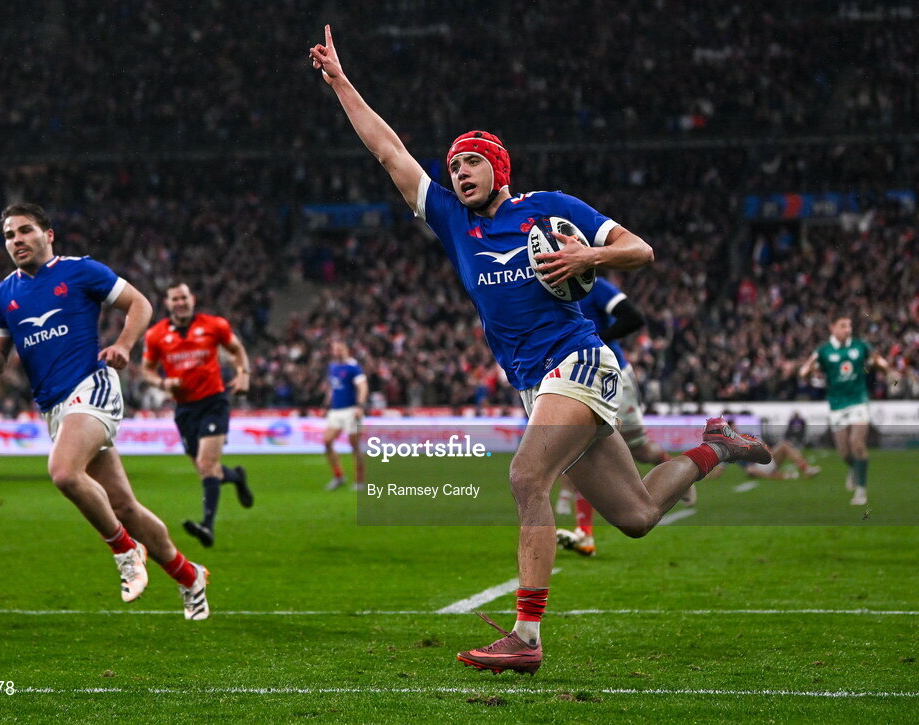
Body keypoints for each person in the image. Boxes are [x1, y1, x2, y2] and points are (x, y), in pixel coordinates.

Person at [309, 26, 770, 675]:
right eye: (453, 166)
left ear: (498, 167)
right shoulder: (452, 221)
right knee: (636, 515)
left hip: (579, 361)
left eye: (470, 162)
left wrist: (590, 254)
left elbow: (640, 251)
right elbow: (389, 152)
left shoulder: (549, 207)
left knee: (526, 476)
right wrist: (338, 81)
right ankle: (717, 445)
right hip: (538, 383)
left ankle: (526, 638)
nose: (457, 172)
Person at [0, 203, 210, 620]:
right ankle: (190, 577)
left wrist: (124, 346)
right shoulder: (3, 295)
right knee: (125, 507)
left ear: (49, 234)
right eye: (9, 235)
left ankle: (125, 550)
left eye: (25, 231)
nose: (17, 240)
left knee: (62, 472)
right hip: (56, 407)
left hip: (92, 386)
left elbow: (141, 305)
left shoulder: (80, 271)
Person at [555, 277, 687, 557]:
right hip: (577, 377)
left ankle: (677, 469)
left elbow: (632, 317)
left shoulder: (591, 285)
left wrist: (593, 341)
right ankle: (585, 535)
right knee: (582, 449)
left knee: (640, 450)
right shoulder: (546, 289)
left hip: (612, 375)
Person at [141, 282, 254, 548]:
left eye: (184, 297)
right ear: (167, 303)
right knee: (206, 469)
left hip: (214, 402)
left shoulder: (214, 325)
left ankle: (207, 525)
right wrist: (163, 384)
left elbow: (237, 350)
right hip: (185, 409)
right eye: (174, 299)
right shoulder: (156, 335)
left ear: (192, 299)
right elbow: (147, 370)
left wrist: (243, 375)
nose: (180, 302)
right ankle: (237, 477)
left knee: (206, 464)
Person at [798, 315, 889, 506]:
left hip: (858, 400)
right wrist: (808, 369)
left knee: (857, 443)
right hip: (837, 404)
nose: (848, 329)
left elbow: (881, 363)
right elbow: (804, 371)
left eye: (849, 325)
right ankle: (854, 469)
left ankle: (861, 491)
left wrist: (880, 364)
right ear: (833, 328)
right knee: (844, 451)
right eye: (843, 326)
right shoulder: (823, 351)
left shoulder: (860, 346)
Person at [322, 340, 368, 491]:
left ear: (346, 350)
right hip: (336, 410)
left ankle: (359, 481)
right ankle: (338, 476)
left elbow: (362, 387)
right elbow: (333, 387)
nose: (337, 352)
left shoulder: (353, 367)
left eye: (339, 349)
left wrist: (360, 406)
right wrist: (327, 403)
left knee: (354, 445)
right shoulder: (332, 367)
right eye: (334, 349)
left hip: (351, 410)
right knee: (327, 441)